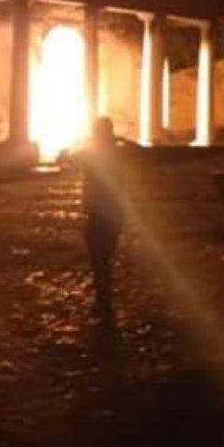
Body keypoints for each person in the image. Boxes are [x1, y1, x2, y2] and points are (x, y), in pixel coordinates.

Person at [80, 117, 126, 322]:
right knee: (105, 257)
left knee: (98, 259)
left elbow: (67, 157)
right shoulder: (118, 153)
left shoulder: (93, 154)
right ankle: (104, 298)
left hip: (97, 213)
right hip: (113, 212)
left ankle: (102, 299)